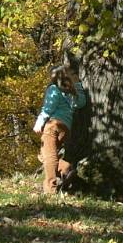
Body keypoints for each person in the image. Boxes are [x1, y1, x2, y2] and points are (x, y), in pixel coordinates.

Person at [33, 63, 87, 194]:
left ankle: (50, 188)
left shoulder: (54, 89)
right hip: (65, 129)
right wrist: (78, 85)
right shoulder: (71, 92)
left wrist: (39, 122)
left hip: (52, 125)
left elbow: (47, 109)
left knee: (49, 156)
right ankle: (66, 169)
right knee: (46, 154)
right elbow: (82, 103)